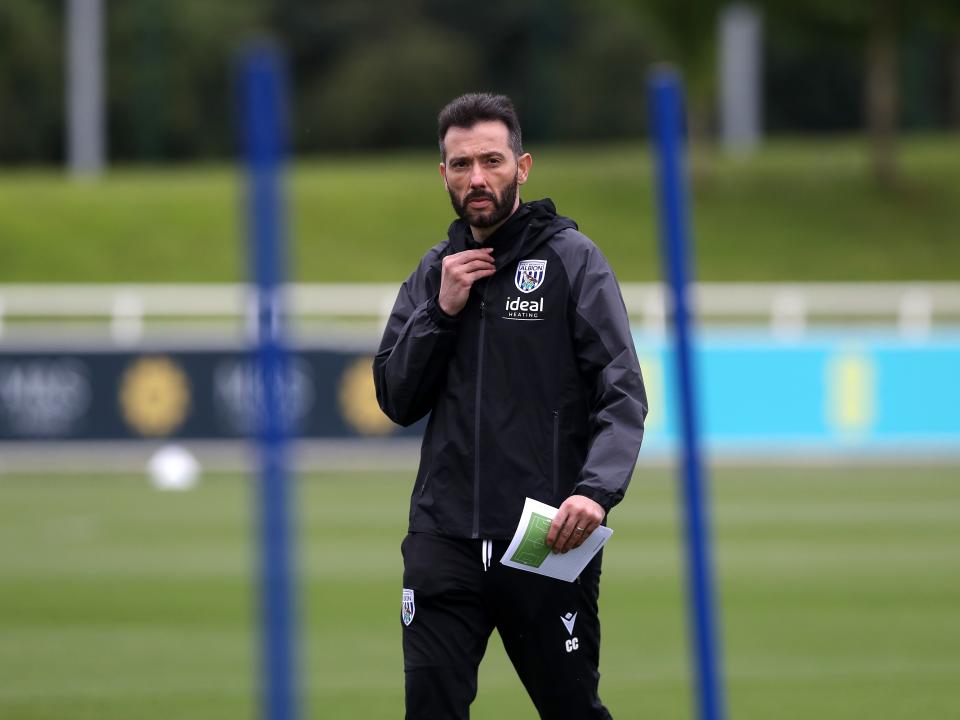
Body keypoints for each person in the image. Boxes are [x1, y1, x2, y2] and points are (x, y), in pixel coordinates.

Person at [373, 92, 647, 719]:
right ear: (443, 173)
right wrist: (439, 314)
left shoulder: (572, 260)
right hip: (443, 540)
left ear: (522, 167)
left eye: (491, 161)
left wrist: (595, 491)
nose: (477, 178)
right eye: (461, 164)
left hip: (547, 537)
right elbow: (395, 396)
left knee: (572, 710)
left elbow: (621, 388)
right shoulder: (434, 273)